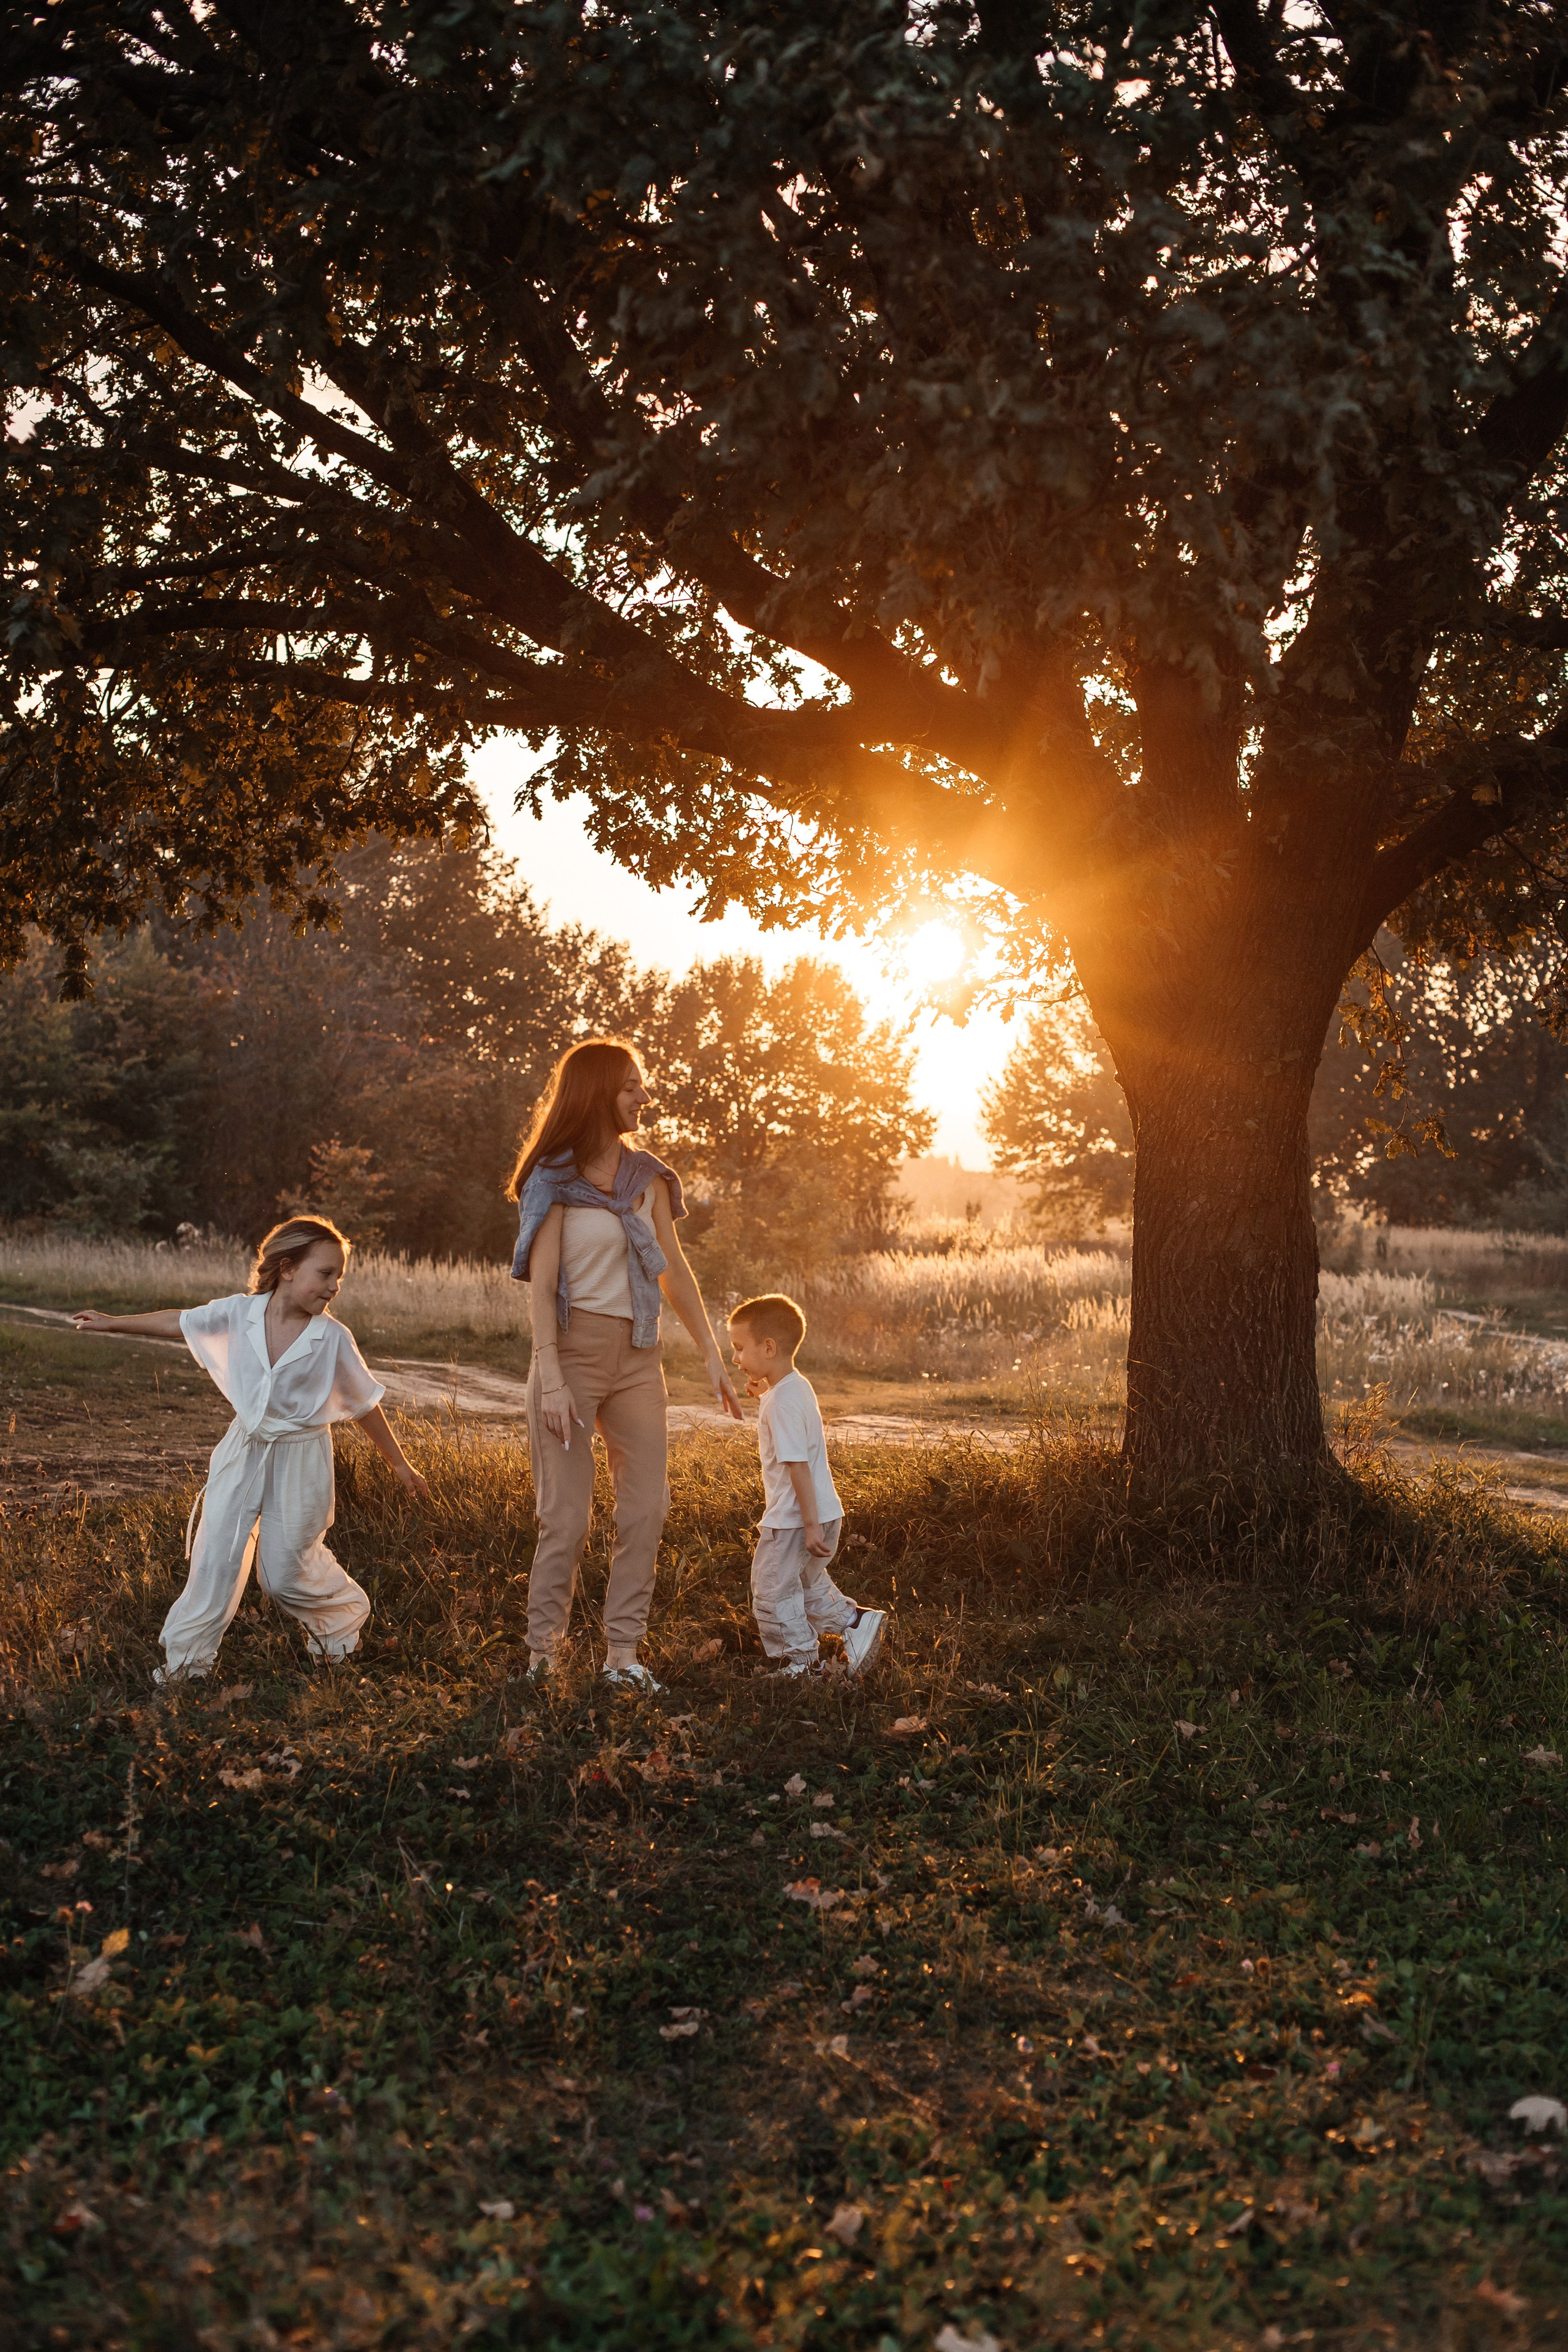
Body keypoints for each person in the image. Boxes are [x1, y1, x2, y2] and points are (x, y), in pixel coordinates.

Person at [72, 1216, 428, 1681]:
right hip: (243, 1450)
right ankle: (186, 1667)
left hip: (302, 1458)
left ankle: (339, 1627)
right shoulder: (239, 1313)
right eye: (325, 1273)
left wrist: (400, 1464)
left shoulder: (333, 1338)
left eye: (339, 1277)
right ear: (286, 1269)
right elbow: (179, 1322)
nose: (334, 1286)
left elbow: (364, 1405)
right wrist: (113, 1323)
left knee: (283, 1575)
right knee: (215, 1558)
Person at [510, 1036, 742, 1693]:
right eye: (632, 1086)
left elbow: (674, 1271)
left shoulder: (649, 1179)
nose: (646, 1097)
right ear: (597, 1093)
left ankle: (623, 1658)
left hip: (639, 1358)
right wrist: (551, 1378)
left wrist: (710, 1354)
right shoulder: (553, 1180)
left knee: (646, 1509)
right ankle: (542, 1662)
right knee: (567, 1518)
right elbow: (542, 1284)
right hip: (570, 1355)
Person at [726, 1292, 886, 1679]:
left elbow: (797, 1465)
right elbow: (790, 1419)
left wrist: (809, 1524)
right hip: (823, 1511)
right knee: (805, 1583)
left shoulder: (781, 1402)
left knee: (771, 1588)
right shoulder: (794, 1387)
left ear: (769, 1347)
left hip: (796, 1519)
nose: (735, 1359)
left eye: (739, 1348)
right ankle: (855, 1622)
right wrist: (764, 1394)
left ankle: (799, 1662)